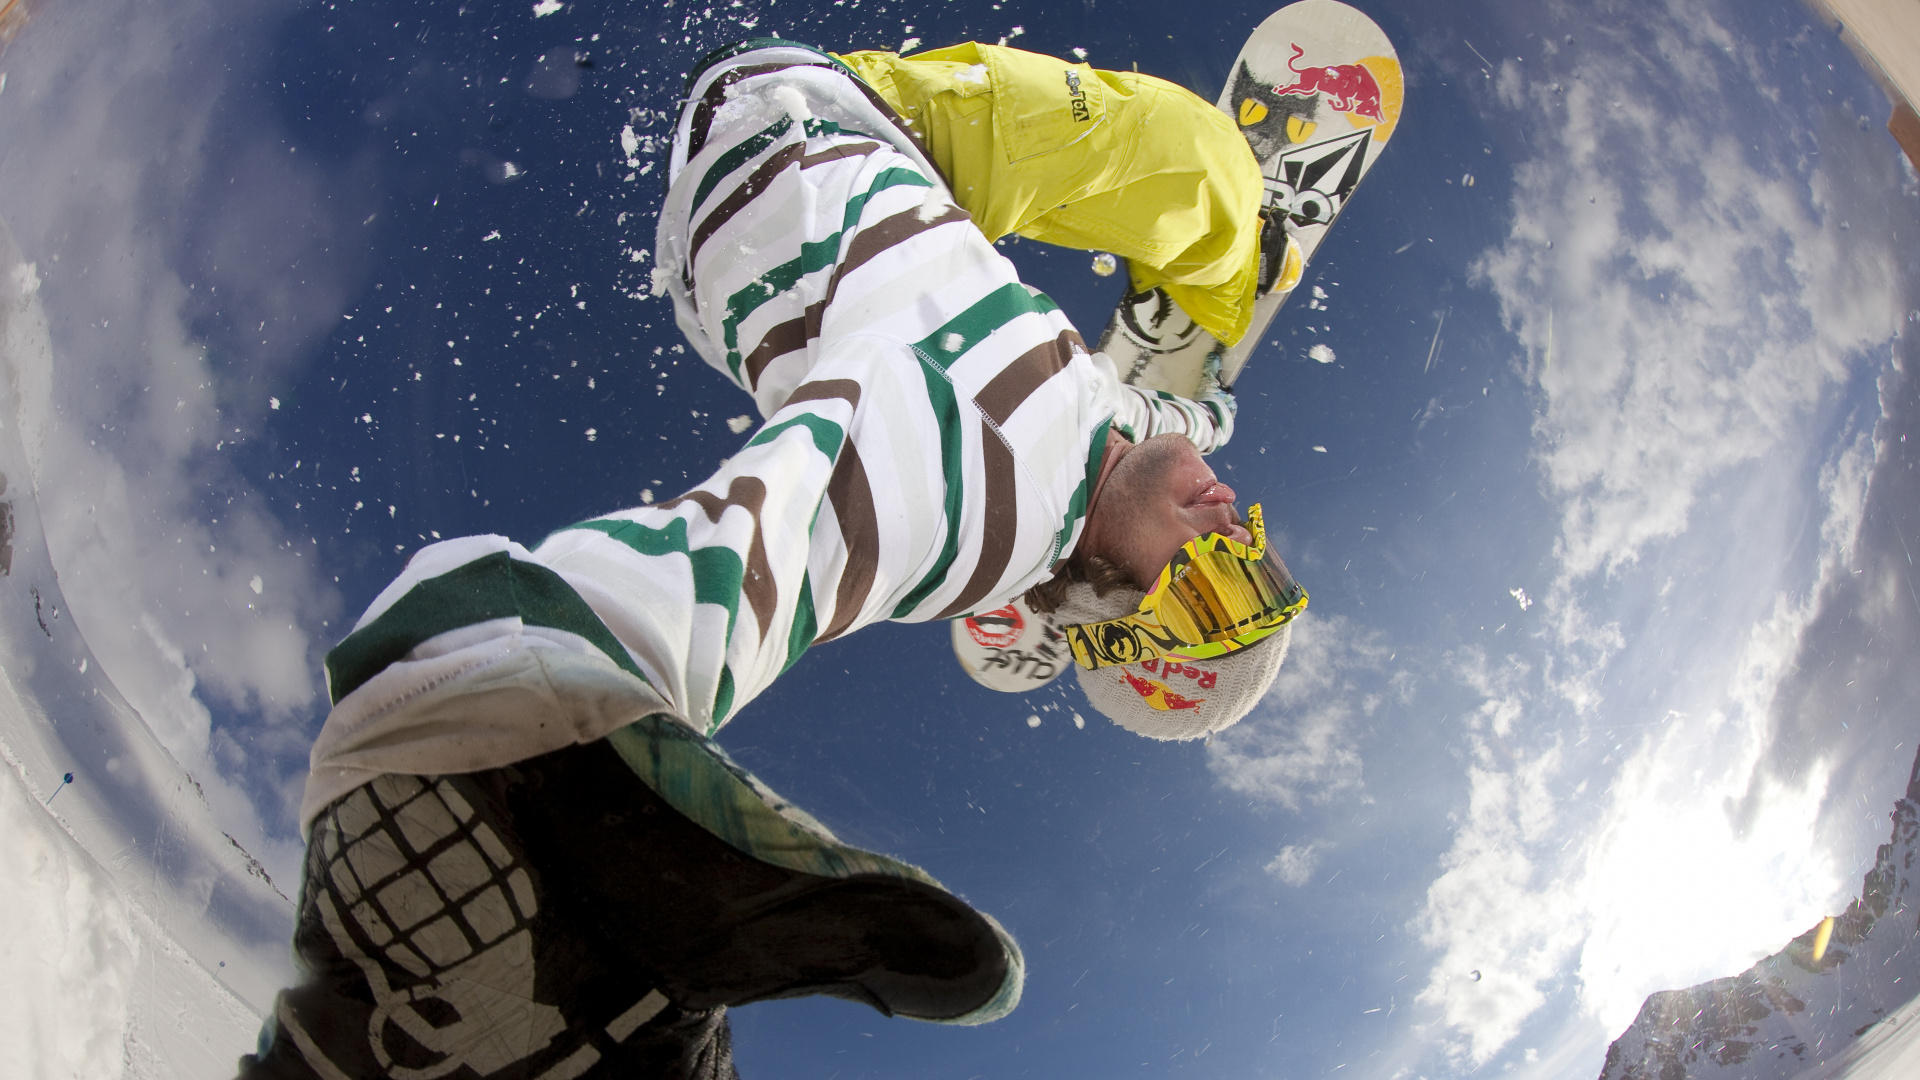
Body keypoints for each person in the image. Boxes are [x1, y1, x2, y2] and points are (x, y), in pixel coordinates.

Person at [238, 38, 1303, 1080]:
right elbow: (1151, 416)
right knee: (1160, 358)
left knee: (1209, 170)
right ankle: (1198, 295)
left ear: (1113, 618)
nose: (1232, 527)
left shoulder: (993, 492)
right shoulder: (1113, 434)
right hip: (803, 206)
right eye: (1256, 554)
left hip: (816, 139)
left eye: (1220, 586)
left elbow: (798, 540)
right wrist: (1197, 406)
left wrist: (559, 680)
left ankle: (1218, 263)